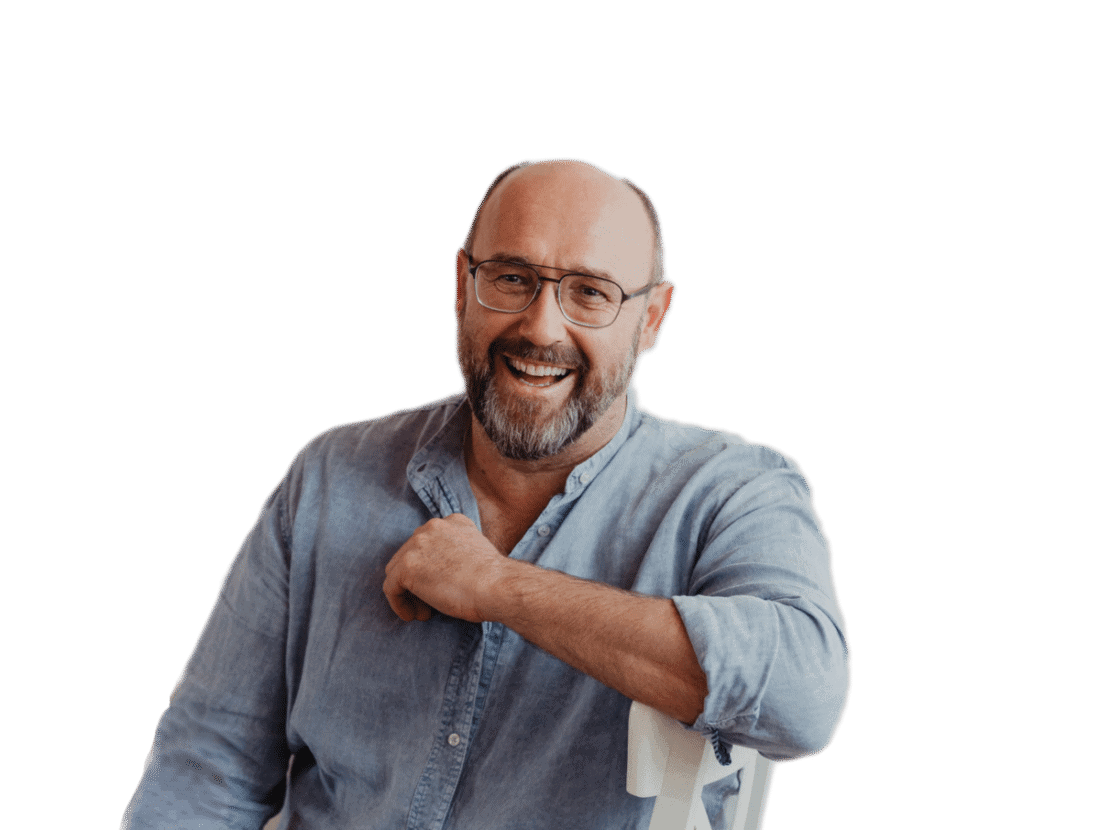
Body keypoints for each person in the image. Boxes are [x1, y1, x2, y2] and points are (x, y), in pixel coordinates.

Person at [123, 159, 849, 830]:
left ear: (651, 318)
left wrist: (499, 588)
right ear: (461, 284)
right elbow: (204, 772)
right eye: (511, 278)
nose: (541, 326)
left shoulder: (731, 491)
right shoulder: (329, 477)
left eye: (590, 293)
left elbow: (804, 698)